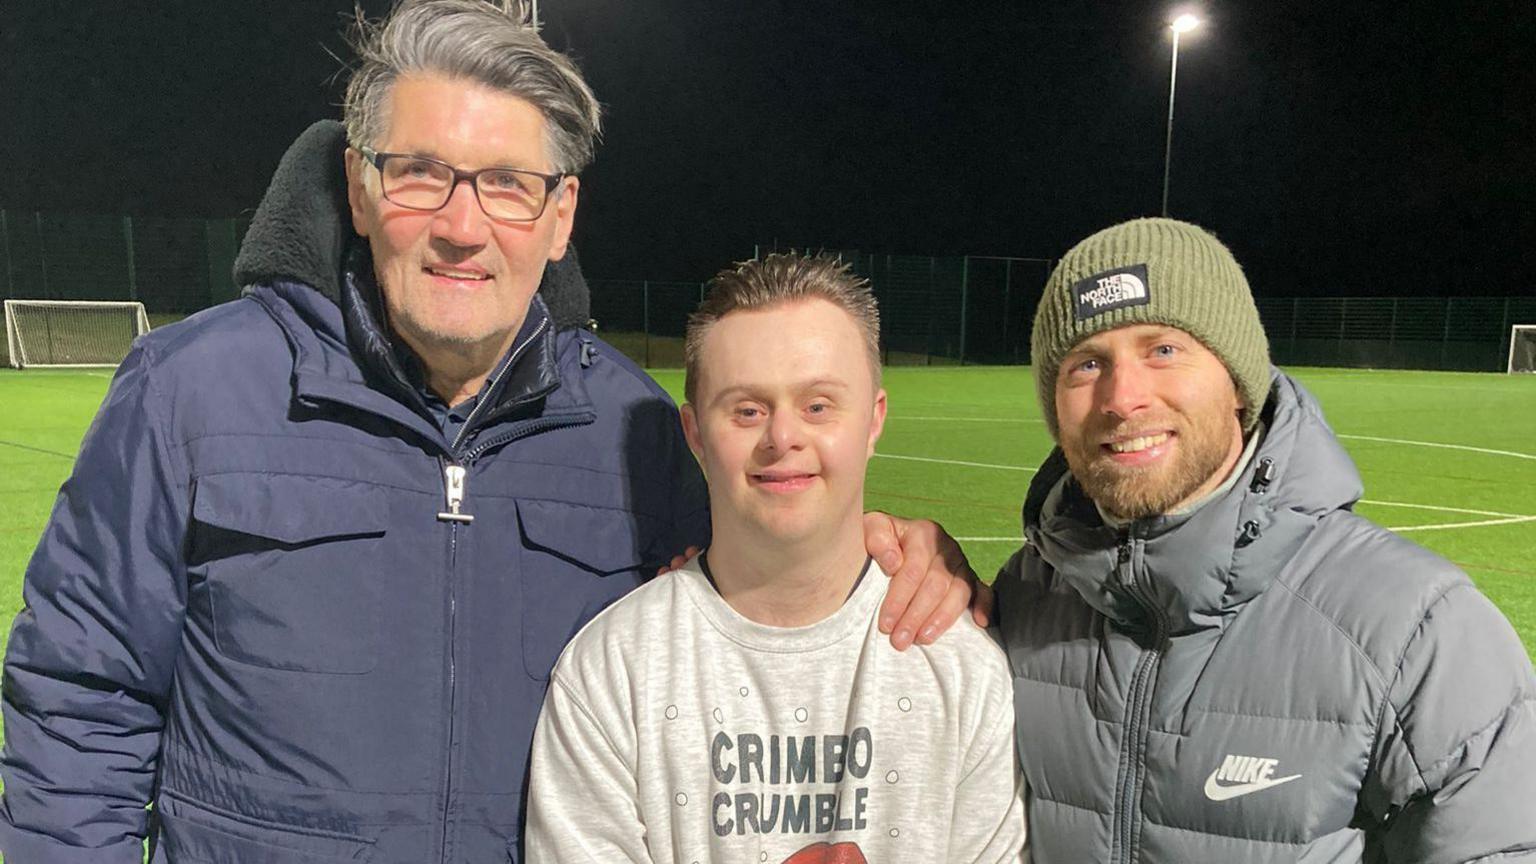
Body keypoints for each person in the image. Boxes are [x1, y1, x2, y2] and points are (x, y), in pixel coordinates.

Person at [0, 3, 976, 862]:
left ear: (560, 216)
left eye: (509, 185)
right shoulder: (191, 392)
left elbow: (759, 607)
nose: (465, 227)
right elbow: (81, 704)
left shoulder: (635, 430)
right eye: (423, 173)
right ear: (361, 185)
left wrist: (914, 558)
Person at [996, 217, 1536, 862]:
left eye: (1163, 349)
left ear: (1238, 381)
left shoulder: (1414, 626)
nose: (1123, 397)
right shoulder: (1021, 596)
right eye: (1087, 364)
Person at [525, 254, 1027, 863]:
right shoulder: (610, 673)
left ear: (873, 422)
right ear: (694, 435)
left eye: (818, 406)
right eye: (747, 410)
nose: (782, 437)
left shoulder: (964, 670)